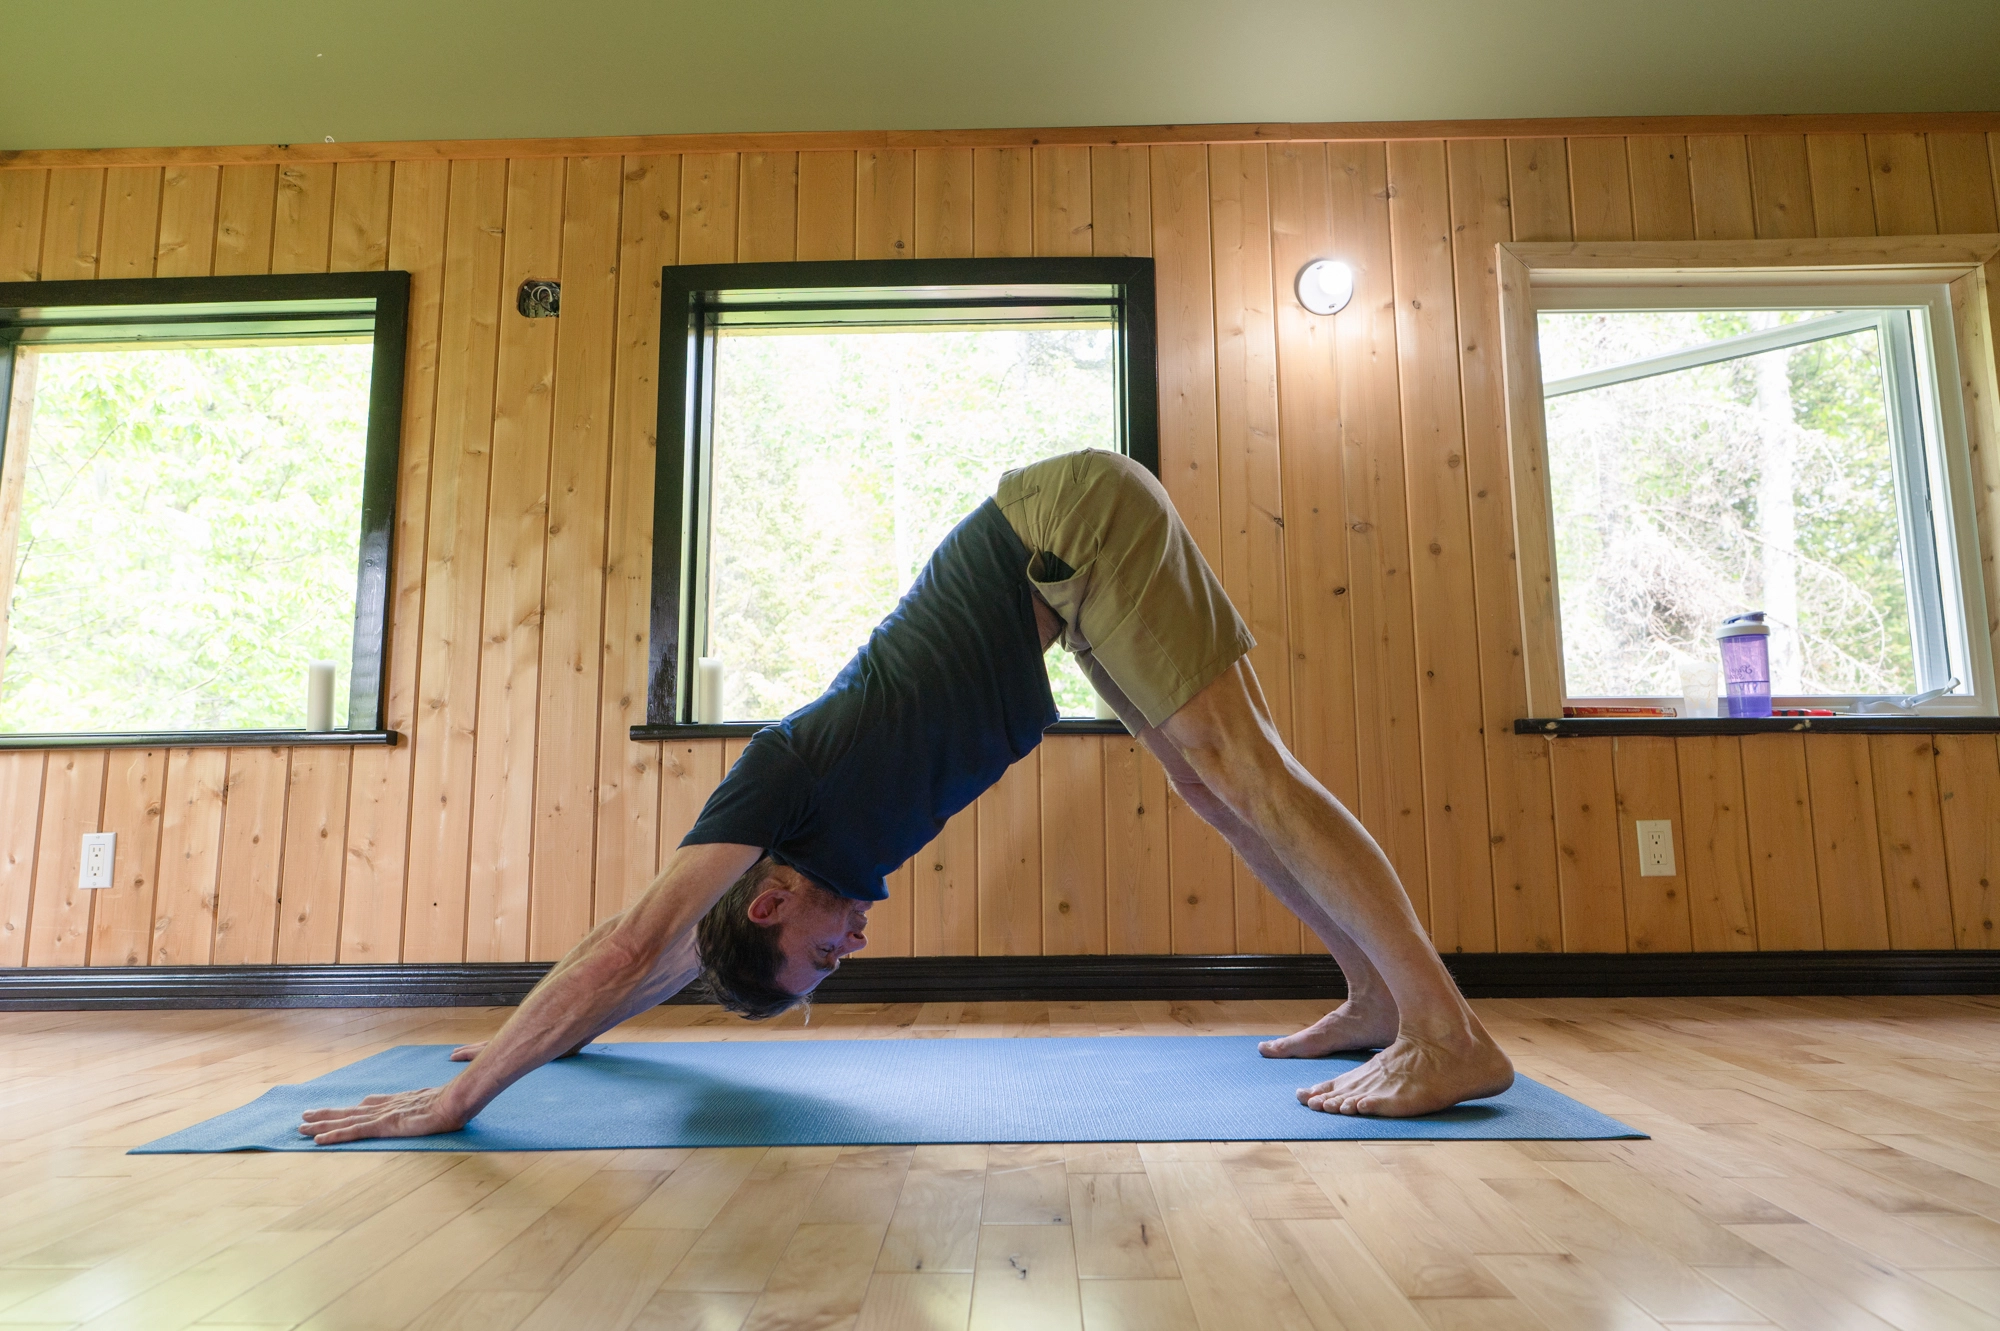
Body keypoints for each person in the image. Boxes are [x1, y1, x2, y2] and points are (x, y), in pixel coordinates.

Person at [299, 450, 1511, 1145]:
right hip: (1066, 576)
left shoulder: (776, 784)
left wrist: (462, 1098)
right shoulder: (788, 876)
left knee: (1249, 769)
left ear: (769, 902)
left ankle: (1444, 1029)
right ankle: (1369, 995)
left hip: (1065, 527)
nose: (849, 950)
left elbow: (633, 940)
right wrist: (533, 1042)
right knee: (1207, 782)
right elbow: (658, 972)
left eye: (822, 958)